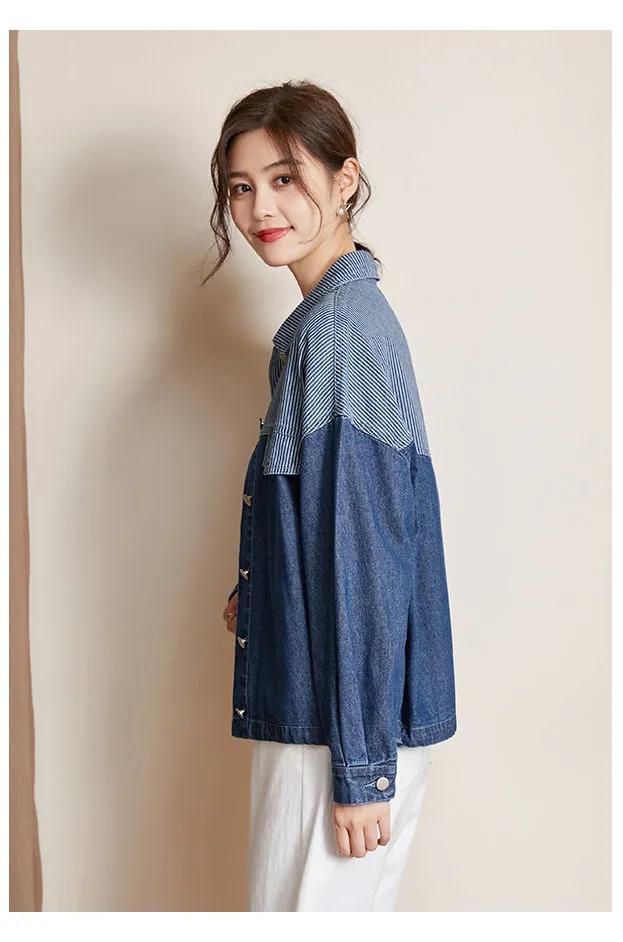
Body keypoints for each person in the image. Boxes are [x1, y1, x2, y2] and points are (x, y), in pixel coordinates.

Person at [204, 80, 457, 912]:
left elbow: (365, 559)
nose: (260, 208)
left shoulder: (340, 331)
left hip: (336, 733)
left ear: (345, 180)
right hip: (337, 721)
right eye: (241, 187)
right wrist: (265, 590)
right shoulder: (331, 322)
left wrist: (361, 768)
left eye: (285, 178)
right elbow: (335, 523)